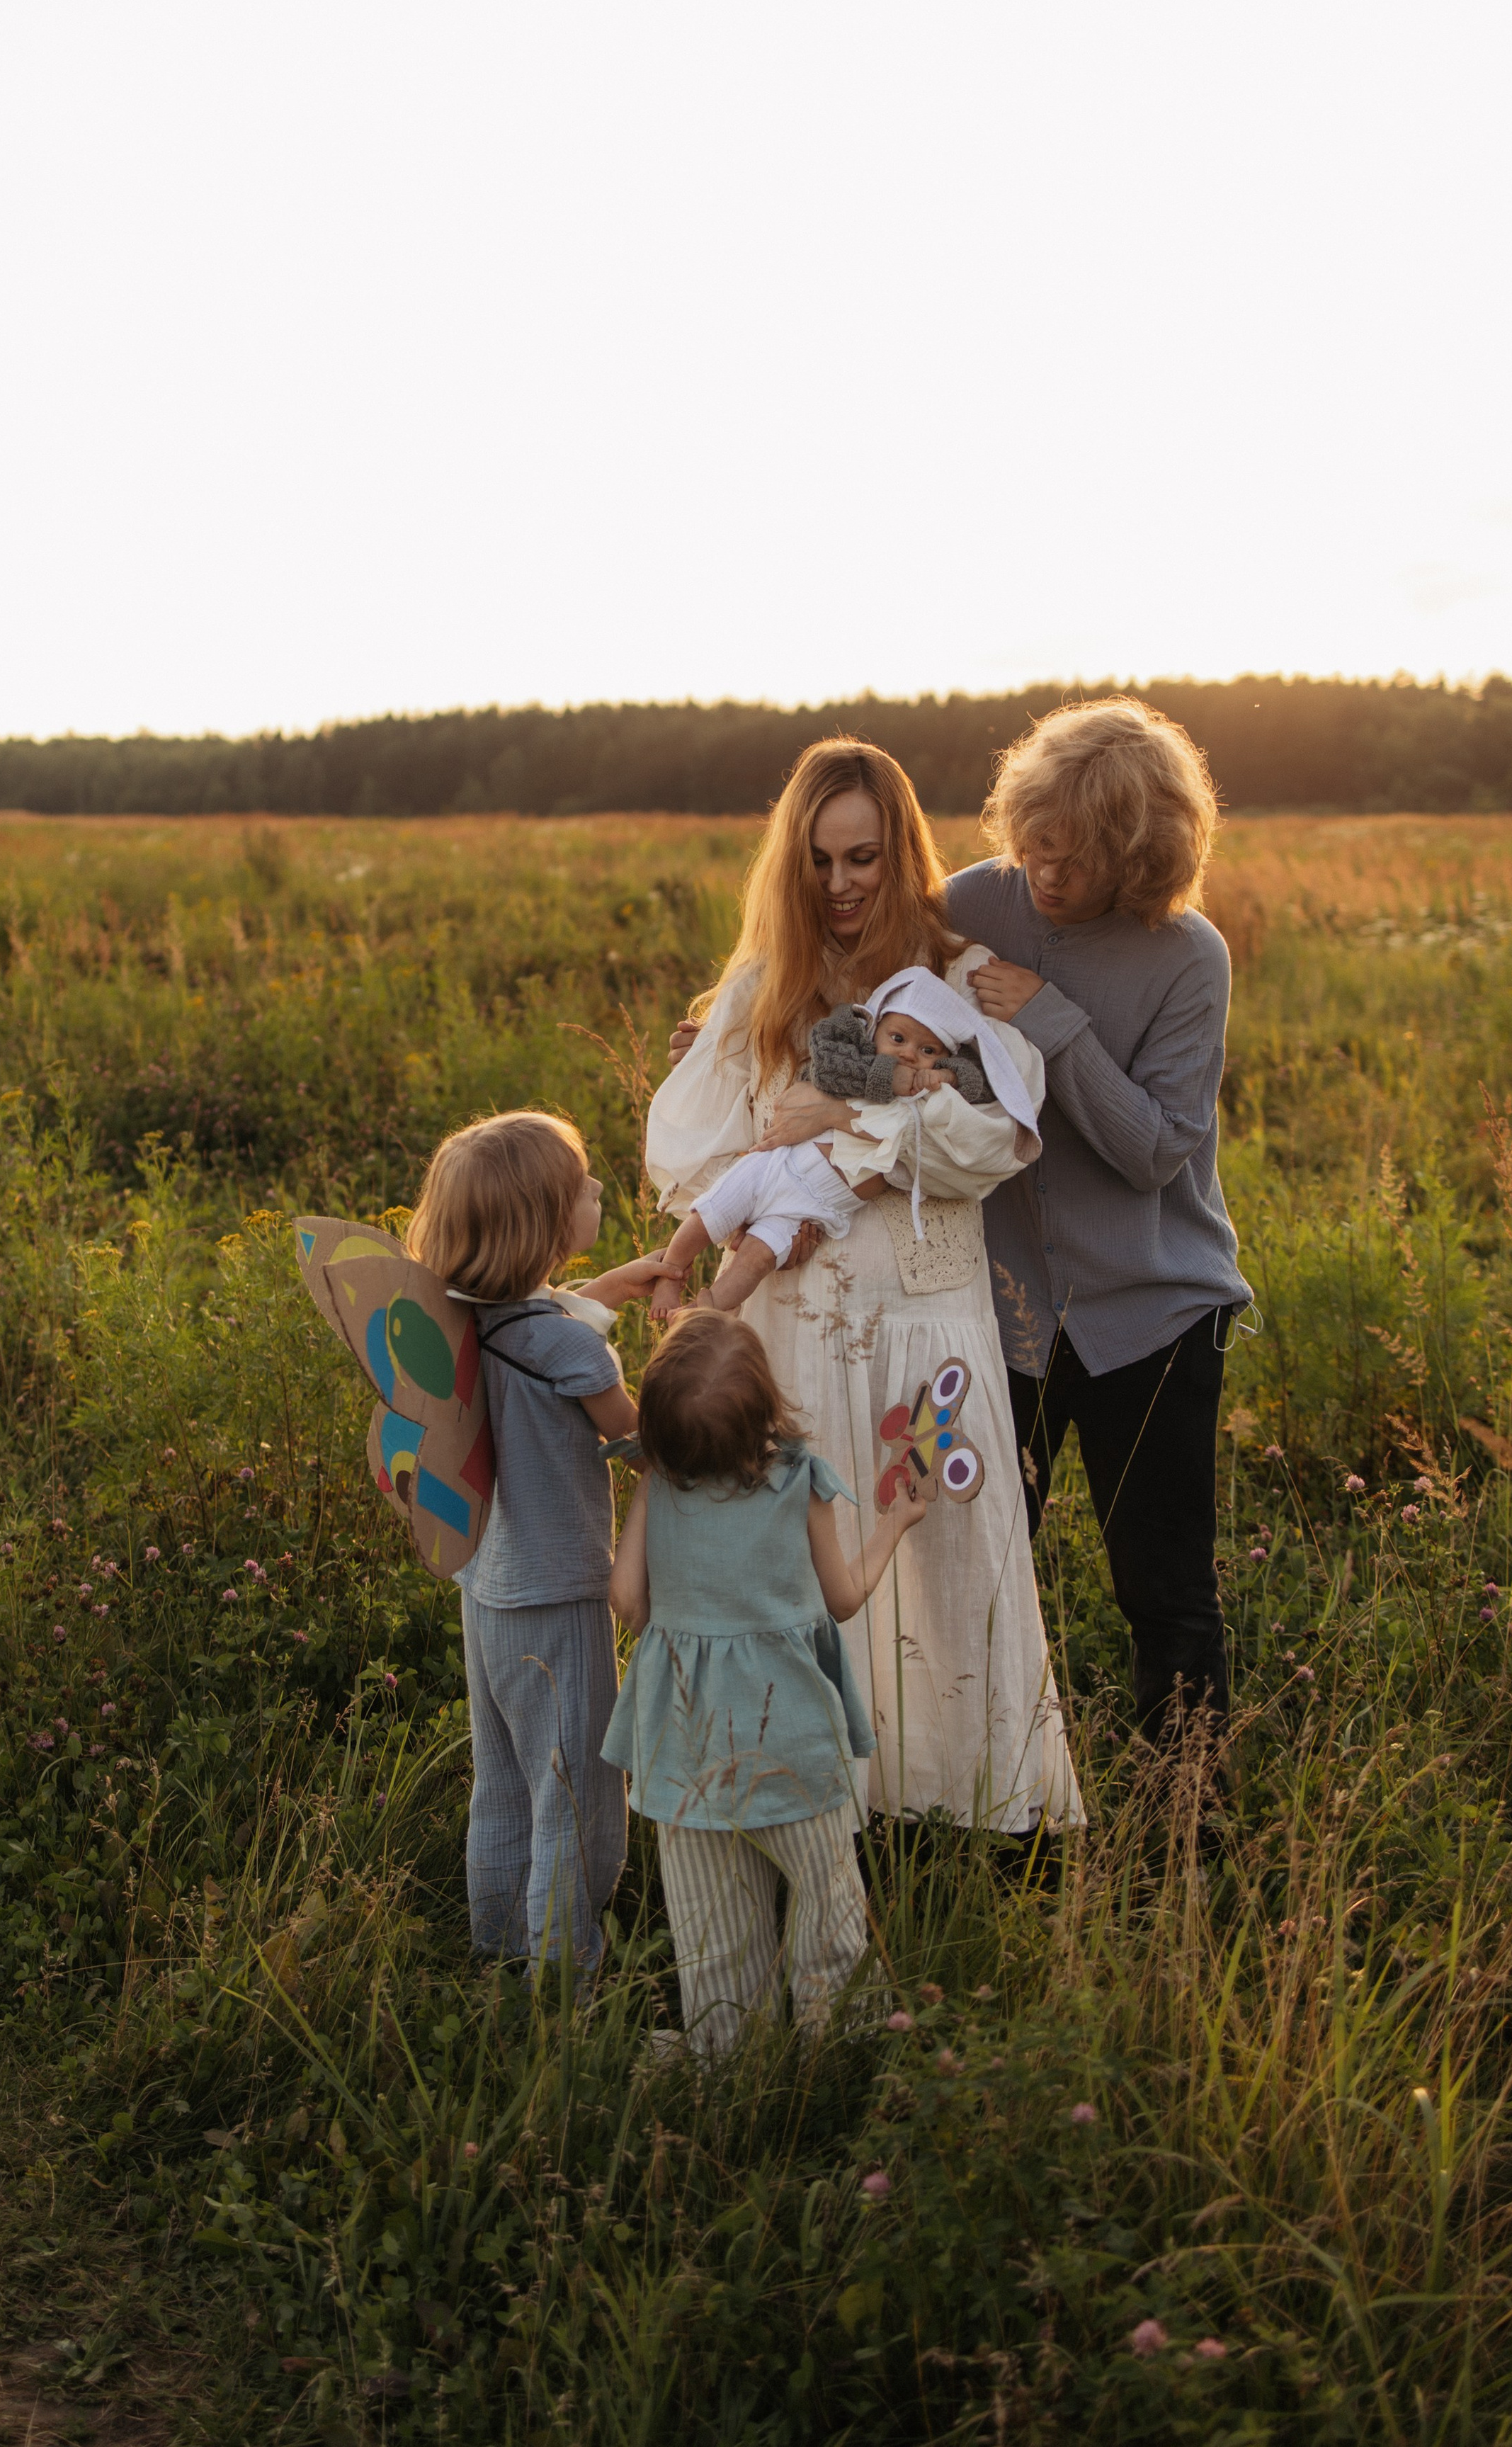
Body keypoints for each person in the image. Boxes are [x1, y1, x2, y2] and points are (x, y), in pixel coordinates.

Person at [649, 737, 1082, 1834]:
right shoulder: (765, 989)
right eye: (820, 860)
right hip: (794, 1319)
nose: (841, 884)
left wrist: (849, 1119)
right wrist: (784, 1193)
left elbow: (995, 1140)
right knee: (809, 1558)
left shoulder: (957, 981)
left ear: (902, 853)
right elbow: (702, 1154)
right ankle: (822, 1810)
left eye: (864, 858)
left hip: (924, 1311)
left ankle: (973, 1808)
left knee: (942, 1543)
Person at [948, 697, 1250, 1735]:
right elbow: (858, 1011)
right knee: (972, 1576)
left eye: (1073, 859)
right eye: (1032, 842)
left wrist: (1048, 1018)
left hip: (1153, 1319)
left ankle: (1186, 1812)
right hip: (997, 1317)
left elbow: (1155, 1152)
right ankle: (978, 1804)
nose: (1043, 871)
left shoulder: (1189, 955)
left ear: (1138, 857)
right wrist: (731, 1038)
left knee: (1164, 1592)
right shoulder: (969, 903)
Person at [603, 1315, 934, 2055]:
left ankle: (726, 2053)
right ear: (765, 1409)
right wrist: (894, 1524)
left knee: (713, 1929)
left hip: (684, 1749)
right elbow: (843, 1597)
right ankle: (839, 2045)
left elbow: (625, 1598)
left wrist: (675, 1606)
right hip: (793, 1745)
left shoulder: (658, 1483)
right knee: (826, 1904)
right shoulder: (798, 1480)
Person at [405, 1109, 668, 1970]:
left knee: (508, 1780)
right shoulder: (570, 1351)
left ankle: (498, 1943)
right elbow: (643, 1445)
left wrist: (612, 1288)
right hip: (558, 1594)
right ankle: (562, 1975)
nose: (595, 1188)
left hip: (486, 1583)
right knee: (577, 1792)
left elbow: (537, 1323)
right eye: (579, 1186)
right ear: (548, 1227)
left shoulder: (456, 1322)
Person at [648, 970, 1030, 1319]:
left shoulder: (928, 1102)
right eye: (897, 1039)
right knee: (710, 1214)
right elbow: (828, 1061)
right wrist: (894, 1078)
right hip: (775, 1168)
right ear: (874, 1033)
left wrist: (947, 1077)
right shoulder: (854, 1067)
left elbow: (981, 1084)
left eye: (928, 1051)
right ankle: (670, 1273)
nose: (909, 1054)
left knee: (756, 1260)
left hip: (812, 1209)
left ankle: (706, 1309)